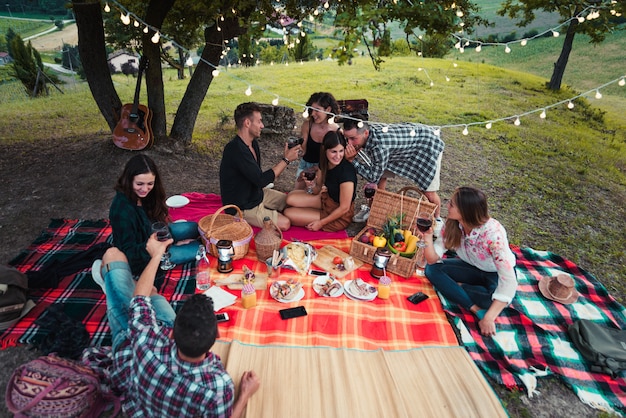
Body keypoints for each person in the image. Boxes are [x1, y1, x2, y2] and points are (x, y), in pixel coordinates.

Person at [89, 235, 260, 417]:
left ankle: (112, 285)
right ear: (217, 335)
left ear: (170, 333)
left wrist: (157, 255)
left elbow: (139, 299)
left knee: (112, 255)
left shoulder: (147, 341)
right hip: (140, 337)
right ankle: (117, 287)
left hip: (128, 344)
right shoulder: (218, 385)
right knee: (151, 291)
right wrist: (245, 394)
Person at [422, 187, 517, 337]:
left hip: (494, 273)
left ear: (466, 211)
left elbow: (509, 281)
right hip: (472, 267)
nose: (447, 206)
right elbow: (432, 259)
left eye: (452, 204)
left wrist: (489, 318)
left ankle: (458, 287)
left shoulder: (493, 235)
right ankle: (474, 308)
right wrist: (427, 237)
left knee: (492, 300)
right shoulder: (453, 224)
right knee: (431, 270)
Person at [108, 154, 201, 287]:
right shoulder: (121, 210)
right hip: (147, 255)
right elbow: (128, 254)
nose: (145, 189)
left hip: (158, 236)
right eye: (139, 184)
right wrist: (162, 247)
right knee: (199, 248)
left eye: (150, 183)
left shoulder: (148, 195)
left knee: (196, 228)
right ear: (129, 180)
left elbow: (156, 223)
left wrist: (169, 240)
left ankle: (179, 242)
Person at [342, 115, 445, 233]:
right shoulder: (367, 131)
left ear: (366, 133)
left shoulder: (380, 146)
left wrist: (352, 161)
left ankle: (438, 221)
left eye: (352, 139)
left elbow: (372, 177)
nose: (349, 143)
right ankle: (375, 209)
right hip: (400, 147)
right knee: (380, 177)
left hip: (427, 146)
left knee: (428, 191)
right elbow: (377, 175)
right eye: (347, 138)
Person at [220, 102, 301, 231]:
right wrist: (286, 160)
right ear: (247, 123)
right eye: (259, 121)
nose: (262, 126)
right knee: (285, 223)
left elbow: (258, 180)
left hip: (256, 194)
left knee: (292, 201)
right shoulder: (235, 150)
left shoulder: (253, 144)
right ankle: (251, 216)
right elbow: (261, 179)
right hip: (242, 206)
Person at [284, 131, 357, 231]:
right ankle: (312, 212)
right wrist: (311, 185)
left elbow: (344, 208)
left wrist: (321, 223)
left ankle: (315, 215)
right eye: (334, 151)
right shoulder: (324, 163)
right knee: (290, 198)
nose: (338, 156)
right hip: (327, 200)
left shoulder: (346, 173)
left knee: (288, 213)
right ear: (324, 150)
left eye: (341, 151)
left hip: (340, 213)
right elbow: (317, 189)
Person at [294, 92, 340, 190]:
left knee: (317, 196)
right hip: (306, 166)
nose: (313, 114)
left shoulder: (336, 130)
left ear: (328, 110)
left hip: (325, 169)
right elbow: (303, 151)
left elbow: (336, 158)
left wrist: (318, 169)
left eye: (317, 110)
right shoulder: (308, 125)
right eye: (311, 110)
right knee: (297, 193)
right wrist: (296, 150)